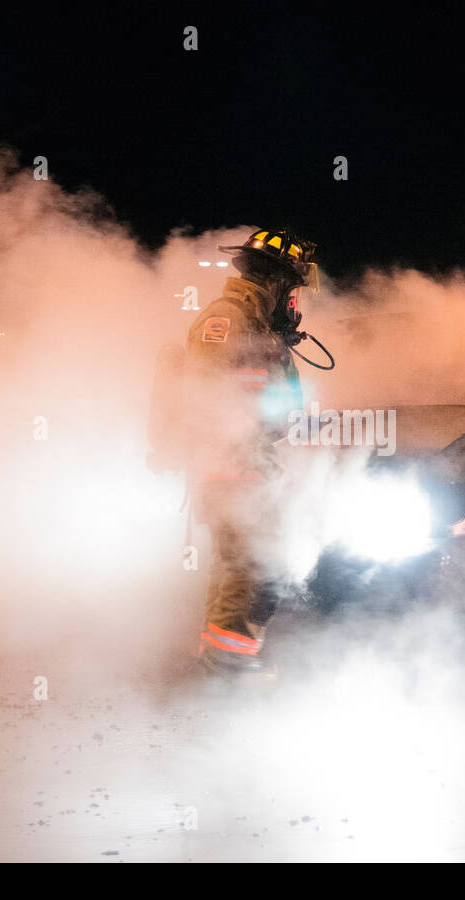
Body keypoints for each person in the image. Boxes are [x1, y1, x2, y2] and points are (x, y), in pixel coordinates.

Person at [183, 227, 318, 677]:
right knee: (246, 559)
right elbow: (205, 394)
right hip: (231, 462)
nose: (295, 303)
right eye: (293, 289)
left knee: (240, 560)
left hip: (247, 462)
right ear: (277, 281)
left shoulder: (258, 325)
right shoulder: (228, 318)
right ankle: (227, 664)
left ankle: (225, 657)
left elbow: (274, 405)